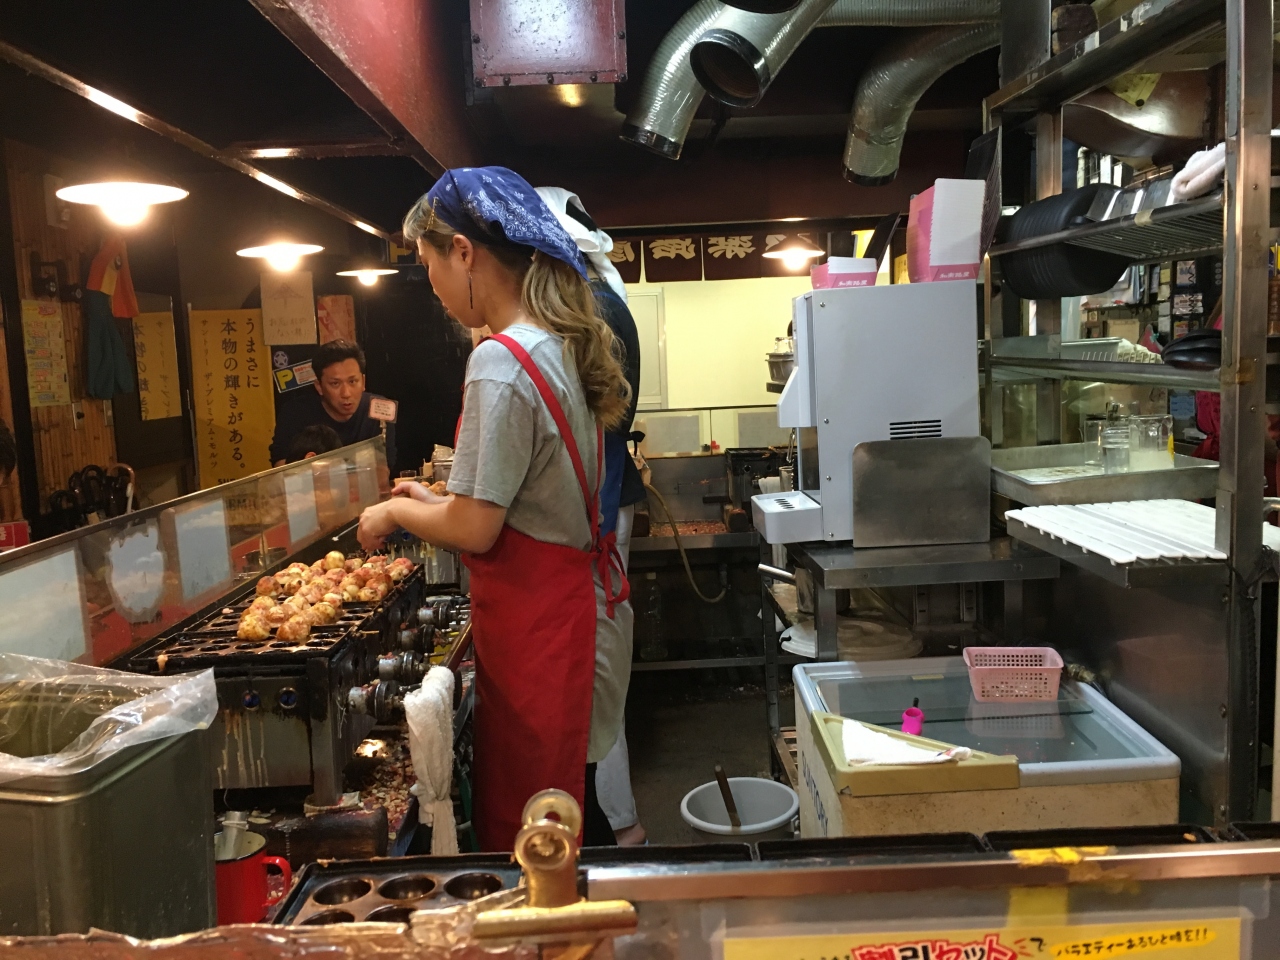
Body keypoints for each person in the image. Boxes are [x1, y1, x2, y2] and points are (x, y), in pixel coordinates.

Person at [356, 167, 632, 851]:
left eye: (428, 265)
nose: (433, 288)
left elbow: (476, 529)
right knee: (562, 807)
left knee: (533, 826)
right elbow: (523, 496)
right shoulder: (558, 341)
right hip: (570, 607)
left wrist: (396, 515)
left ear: (464, 252)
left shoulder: (499, 361)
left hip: (534, 628)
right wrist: (438, 500)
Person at [537, 186, 647, 846]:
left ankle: (615, 827)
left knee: (593, 677)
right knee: (599, 677)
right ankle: (614, 820)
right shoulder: (604, 294)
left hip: (595, 515)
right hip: (601, 507)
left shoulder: (591, 307)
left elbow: (589, 432)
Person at [269, 340, 397, 471]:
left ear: (363, 382)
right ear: (319, 387)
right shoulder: (294, 413)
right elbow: (281, 469)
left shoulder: (380, 409)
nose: (346, 393)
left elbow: (384, 469)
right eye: (335, 383)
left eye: (353, 381)